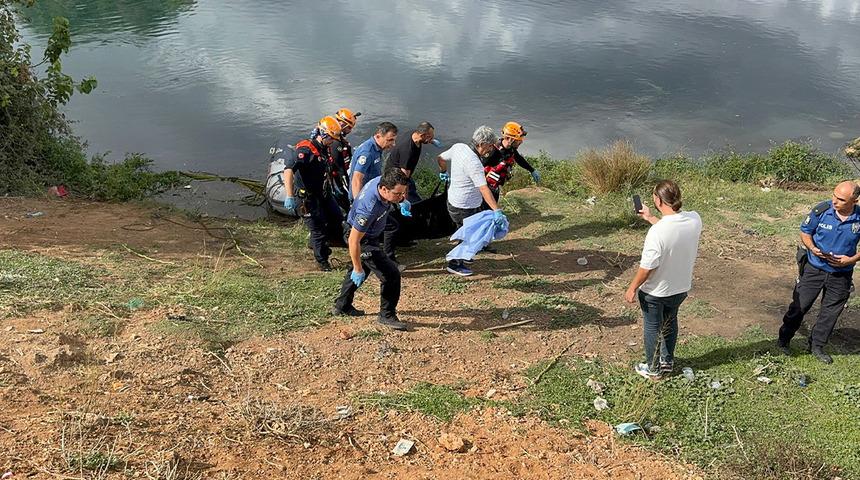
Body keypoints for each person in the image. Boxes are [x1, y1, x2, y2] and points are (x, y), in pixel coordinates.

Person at [624, 180, 702, 379]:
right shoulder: (694, 219)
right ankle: (667, 361)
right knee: (670, 321)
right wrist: (651, 218)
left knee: (652, 327)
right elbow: (673, 230)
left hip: (655, 292)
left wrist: (632, 288)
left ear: (658, 200)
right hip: (680, 288)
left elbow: (648, 267)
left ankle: (652, 369)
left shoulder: (657, 233)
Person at [777, 181, 860, 364]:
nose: (834, 201)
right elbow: (805, 231)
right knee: (800, 306)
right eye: (834, 195)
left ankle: (816, 346)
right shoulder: (822, 210)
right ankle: (783, 340)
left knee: (830, 313)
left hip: (841, 274)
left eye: (841, 199)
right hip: (814, 269)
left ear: (854, 201)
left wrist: (851, 259)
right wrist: (812, 248)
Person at [333, 168, 411, 331]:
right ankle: (386, 315)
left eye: (402, 193)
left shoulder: (382, 180)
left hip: (369, 235)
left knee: (365, 268)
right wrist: (357, 267)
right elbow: (354, 240)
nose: (401, 196)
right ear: (384, 189)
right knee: (391, 274)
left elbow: (400, 173)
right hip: (362, 239)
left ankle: (341, 305)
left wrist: (402, 201)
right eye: (398, 194)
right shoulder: (368, 208)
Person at [437, 125, 507, 276]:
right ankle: (455, 264)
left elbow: (441, 158)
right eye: (489, 146)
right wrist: (497, 210)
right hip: (465, 205)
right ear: (481, 144)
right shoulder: (474, 162)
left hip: (454, 200)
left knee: (465, 230)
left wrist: (443, 171)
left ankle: (465, 256)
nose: (490, 150)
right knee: (471, 234)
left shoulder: (459, 147)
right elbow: (484, 188)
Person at [283, 116, 344, 271]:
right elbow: (289, 170)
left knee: (336, 216)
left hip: (323, 193)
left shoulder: (324, 148)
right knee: (318, 229)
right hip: (307, 198)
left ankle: (323, 243)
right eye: (331, 138)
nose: (333, 141)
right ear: (323, 134)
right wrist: (289, 195)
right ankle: (322, 261)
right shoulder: (305, 149)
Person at [481, 121, 541, 203]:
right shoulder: (493, 151)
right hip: (484, 188)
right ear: (510, 139)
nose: (521, 142)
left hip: (495, 187)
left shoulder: (511, 149)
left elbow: (519, 159)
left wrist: (532, 170)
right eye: (518, 140)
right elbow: (478, 168)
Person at [388, 121, 441, 203]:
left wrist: (431, 141)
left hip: (405, 168)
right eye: (430, 137)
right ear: (422, 135)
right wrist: (404, 200)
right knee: (408, 194)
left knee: (412, 188)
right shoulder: (408, 150)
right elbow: (404, 177)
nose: (432, 138)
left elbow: (425, 137)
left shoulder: (415, 133)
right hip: (397, 174)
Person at [349, 122, 398, 200]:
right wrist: (358, 204)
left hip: (372, 192)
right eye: (390, 140)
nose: (393, 144)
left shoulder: (378, 148)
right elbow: (356, 179)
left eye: (394, 140)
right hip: (363, 196)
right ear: (378, 136)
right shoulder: (367, 153)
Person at [326, 108, 360, 212]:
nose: (350, 131)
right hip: (338, 178)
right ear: (342, 124)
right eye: (349, 127)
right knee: (344, 197)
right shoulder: (335, 143)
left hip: (343, 173)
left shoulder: (340, 140)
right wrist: (346, 180)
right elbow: (337, 165)